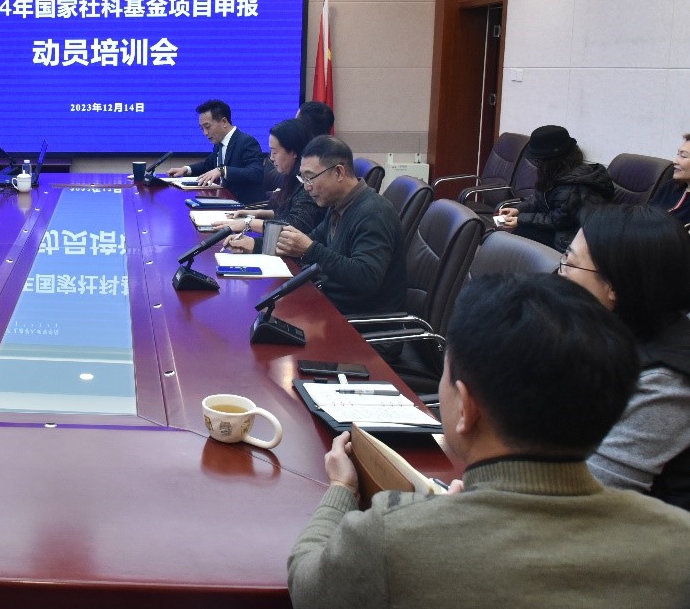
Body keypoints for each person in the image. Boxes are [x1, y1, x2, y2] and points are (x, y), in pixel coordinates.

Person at [288, 272, 690, 609]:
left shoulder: (391, 536)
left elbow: (307, 586)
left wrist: (341, 490)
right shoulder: (678, 540)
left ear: (466, 406)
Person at [558, 205, 690, 509]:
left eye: (570, 264)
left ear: (613, 287)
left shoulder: (667, 380)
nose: (560, 274)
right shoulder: (604, 330)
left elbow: (592, 494)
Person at [274, 135, 406, 315]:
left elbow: (367, 277)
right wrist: (255, 245)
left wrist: (310, 250)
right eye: (303, 178)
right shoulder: (338, 204)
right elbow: (311, 240)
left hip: (358, 320)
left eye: (310, 177)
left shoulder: (374, 214)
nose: (307, 187)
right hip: (332, 303)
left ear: (339, 173)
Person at [495, 124, 614, 251]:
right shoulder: (558, 174)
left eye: (539, 161)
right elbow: (540, 200)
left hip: (571, 240)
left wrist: (520, 220)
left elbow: (559, 220)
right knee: (503, 229)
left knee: (513, 234)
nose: (537, 164)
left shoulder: (572, 187)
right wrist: (518, 210)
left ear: (549, 162)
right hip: (559, 229)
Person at [215, 118, 322, 251]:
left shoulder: (306, 184)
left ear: (293, 152)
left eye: (275, 152)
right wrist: (257, 213)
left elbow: (294, 226)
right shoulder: (292, 178)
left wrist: (248, 223)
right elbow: (286, 212)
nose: (271, 157)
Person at [164, 99, 267, 205]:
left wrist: (223, 171)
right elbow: (208, 165)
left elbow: (256, 173)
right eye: (202, 129)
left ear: (224, 122)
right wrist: (185, 170)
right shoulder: (219, 143)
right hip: (224, 200)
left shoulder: (247, 141)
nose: (205, 133)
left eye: (207, 127)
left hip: (245, 206)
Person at [649, 132, 689, 227]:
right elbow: (647, 213)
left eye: (683, 156)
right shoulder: (671, 186)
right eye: (678, 154)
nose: (675, 161)